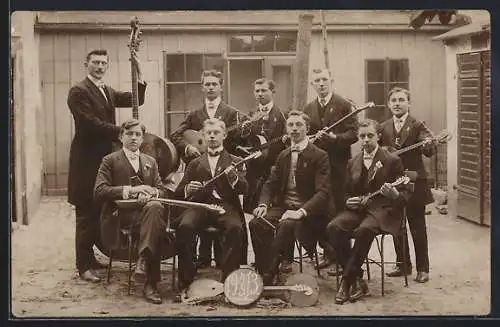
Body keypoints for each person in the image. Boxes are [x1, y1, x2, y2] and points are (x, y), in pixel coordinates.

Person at [67, 49, 146, 282]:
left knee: (97, 209)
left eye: (103, 63)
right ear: (86, 64)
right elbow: (89, 124)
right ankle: (83, 266)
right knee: (85, 211)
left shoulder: (107, 90)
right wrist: (122, 132)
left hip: (104, 157)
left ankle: (90, 259)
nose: (100, 67)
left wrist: (139, 71)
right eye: (95, 63)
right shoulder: (78, 91)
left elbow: (136, 99)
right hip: (86, 159)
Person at [326, 119, 412, 304]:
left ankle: (346, 282)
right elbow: (345, 192)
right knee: (334, 227)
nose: (365, 140)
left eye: (370, 136)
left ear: (379, 136)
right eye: (362, 136)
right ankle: (357, 278)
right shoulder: (353, 162)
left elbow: (405, 195)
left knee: (365, 230)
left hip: (383, 210)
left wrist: (395, 193)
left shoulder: (392, 160)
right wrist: (348, 200)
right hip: (358, 209)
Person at [170, 69, 246, 269]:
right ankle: (192, 271)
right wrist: (188, 147)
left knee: (231, 228)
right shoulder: (194, 114)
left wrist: (232, 168)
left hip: (225, 174)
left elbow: (242, 140)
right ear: (202, 87)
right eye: (207, 84)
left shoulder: (232, 113)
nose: (211, 87)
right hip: (200, 173)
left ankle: (227, 272)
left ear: (221, 86)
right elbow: (176, 135)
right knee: (188, 224)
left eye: (214, 84)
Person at [250, 110, 333, 285]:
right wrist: (264, 204)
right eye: (290, 125)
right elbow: (270, 184)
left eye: (299, 125)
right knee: (256, 222)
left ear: (307, 128)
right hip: (284, 206)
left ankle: (269, 274)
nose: (294, 129)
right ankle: (264, 267)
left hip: (308, 210)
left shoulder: (320, 156)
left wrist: (302, 211)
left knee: (286, 224)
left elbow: (323, 193)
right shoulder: (283, 155)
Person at [94, 119, 167, 304]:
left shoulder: (150, 161)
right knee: (155, 220)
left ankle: (143, 262)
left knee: (154, 208)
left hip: (147, 215)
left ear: (143, 139)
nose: (134, 138)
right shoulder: (110, 160)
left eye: (138, 135)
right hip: (121, 216)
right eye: (130, 134)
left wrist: (152, 192)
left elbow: (162, 190)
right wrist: (131, 191)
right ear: (121, 137)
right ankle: (150, 284)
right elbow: (100, 191)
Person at [172, 118, 248, 295]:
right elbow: (180, 190)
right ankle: (186, 280)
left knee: (235, 228)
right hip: (200, 206)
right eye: (209, 133)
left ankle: (229, 279)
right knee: (185, 226)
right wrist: (188, 188)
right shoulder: (194, 163)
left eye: (216, 133)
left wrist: (234, 178)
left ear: (225, 135)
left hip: (226, 206)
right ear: (203, 136)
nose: (212, 136)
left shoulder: (235, 161)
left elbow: (245, 188)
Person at [378, 87, 436, 283]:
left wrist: (428, 144)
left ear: (408, 103)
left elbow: (429, 149)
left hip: (414, 183)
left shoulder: (418, 125)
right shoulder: (383, 126)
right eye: (393, 100)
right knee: (396, 224)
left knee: (417, 225)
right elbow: (374, 150)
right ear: (388, 104)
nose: (397, 103)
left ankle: (423, 268)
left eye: (401, 100)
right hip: (393, 182)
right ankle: (403, 264)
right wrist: (384, 151)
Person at [303, 68, 358, 270]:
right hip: (317, 170)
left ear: (331, 81)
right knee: (321, 210)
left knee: (340, 210)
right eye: (317, 80)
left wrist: (337, 139)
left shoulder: (344, 105)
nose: (321, 83)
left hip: (339, 167)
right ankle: (328, 252)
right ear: (312, 85)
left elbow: (354, 133)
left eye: (325, 79)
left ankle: (344, 258)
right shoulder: (308, 109)